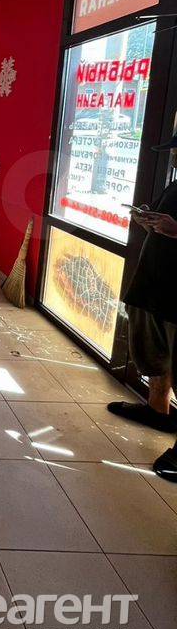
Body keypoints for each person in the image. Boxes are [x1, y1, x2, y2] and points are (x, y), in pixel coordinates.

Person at [108, 133, 177, 482]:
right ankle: (157, 412)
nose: (175, 156)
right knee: (154, 357)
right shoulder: (174, 184)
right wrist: (147, 219)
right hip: (153, 288)